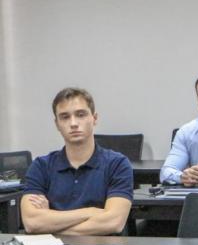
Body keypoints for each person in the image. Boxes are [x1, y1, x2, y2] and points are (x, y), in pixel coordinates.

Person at [21, 87, 133, 235]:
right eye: (65, 117)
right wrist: (90, 212)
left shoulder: (117, 164)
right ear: (57, 124)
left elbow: (113, 222)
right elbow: (32, 222)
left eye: (81, 115)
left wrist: (50, 222)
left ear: (94, 118)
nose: (73, 123)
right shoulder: (41, 166)